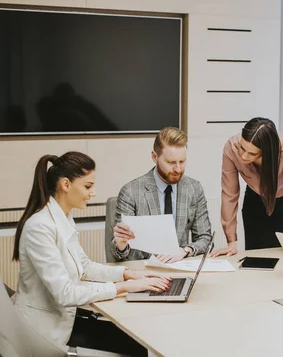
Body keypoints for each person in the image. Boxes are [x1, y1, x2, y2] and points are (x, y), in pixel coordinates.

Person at [12, 152, 171, 355]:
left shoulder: (63, 217)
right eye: (88, 186)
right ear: (66, 184)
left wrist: (127, 274)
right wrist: (123, 287)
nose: (93, 192)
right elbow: (65, 293)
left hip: (65, 317)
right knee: (138, 347)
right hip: (46, 330)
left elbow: (84, 267)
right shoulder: (39, 228)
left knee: (140, 340)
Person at [111, 127, 212, 262]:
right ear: (154, 156)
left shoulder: (194, 188)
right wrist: (121, 245)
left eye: (182, 161)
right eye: (170, 162)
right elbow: (118, 252)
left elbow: (205, 240)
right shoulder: (131, 192)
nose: (178, 169)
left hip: (180, 267)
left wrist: (184, 251)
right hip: (142, 271)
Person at [211, 117, 283, 257]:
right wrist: (231, 241)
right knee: (256, 259)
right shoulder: (232, 147)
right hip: (254, 201)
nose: (243, 156)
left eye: (252, 153)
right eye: (242, 148)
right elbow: (229, 194)